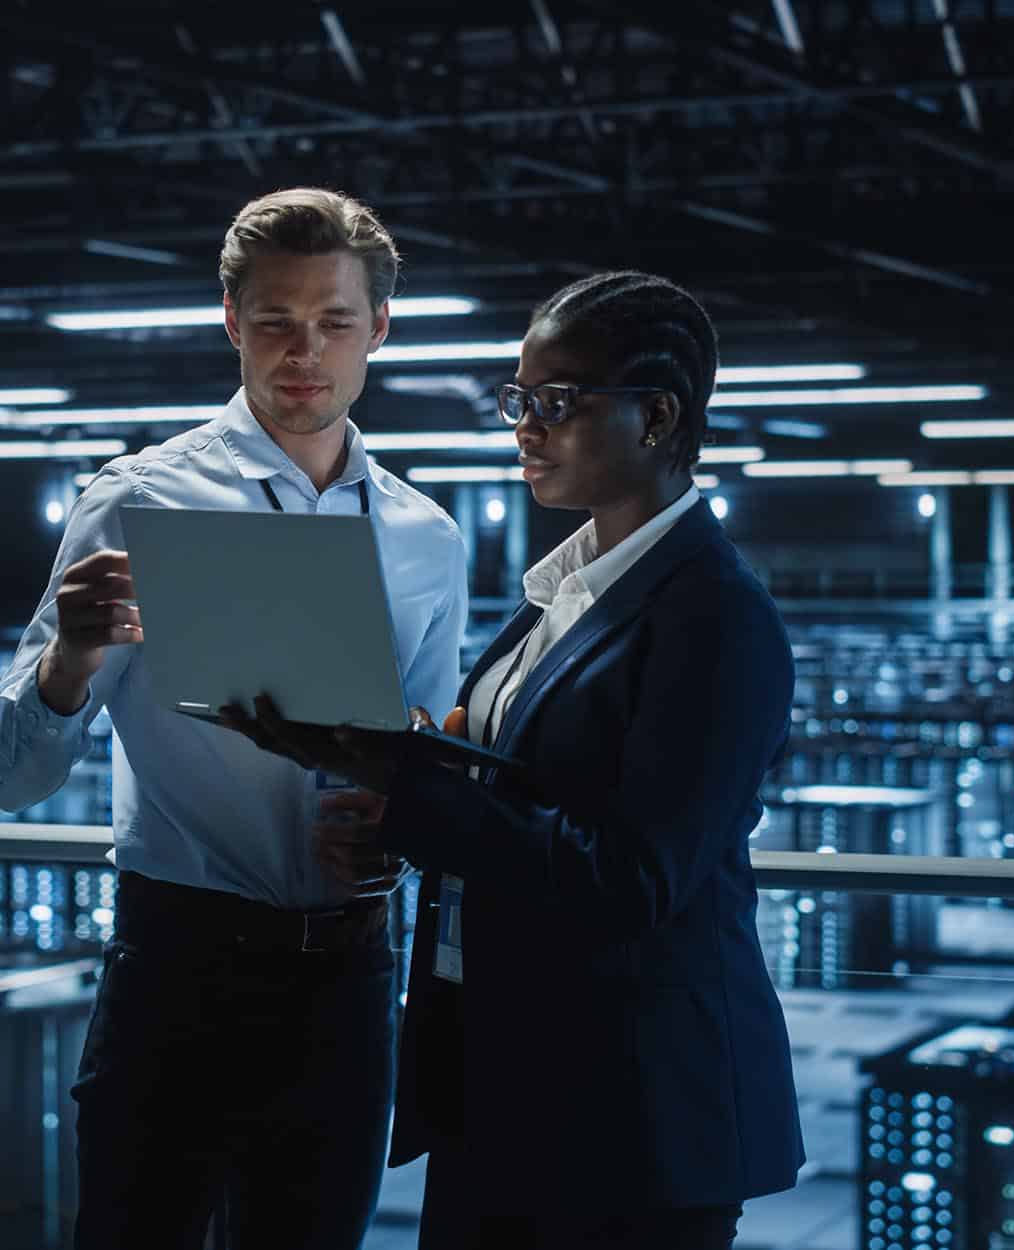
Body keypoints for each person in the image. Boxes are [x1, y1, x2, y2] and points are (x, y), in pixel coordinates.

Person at [225, 271, 803, 1249]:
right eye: (517, 399)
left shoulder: (714, 618)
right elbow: (521, 783)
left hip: (627, 1114)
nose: (523, 426)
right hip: (506, 1083)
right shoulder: (560, 592)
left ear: (656, 416)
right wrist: (388, 779)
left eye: (557, 401)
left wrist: (405, 781)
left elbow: (627, 876)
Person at [0, 187, 468, 1250]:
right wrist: (69, 657)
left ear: (378, 328)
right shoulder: (136, 501)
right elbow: (11, 776)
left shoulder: (427, 537)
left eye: (335, 322)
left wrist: (398, 821)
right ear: (229, 321)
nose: (305, 353)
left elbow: (426, 755)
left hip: (349, 976)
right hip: (178, 969)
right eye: (274, 323)